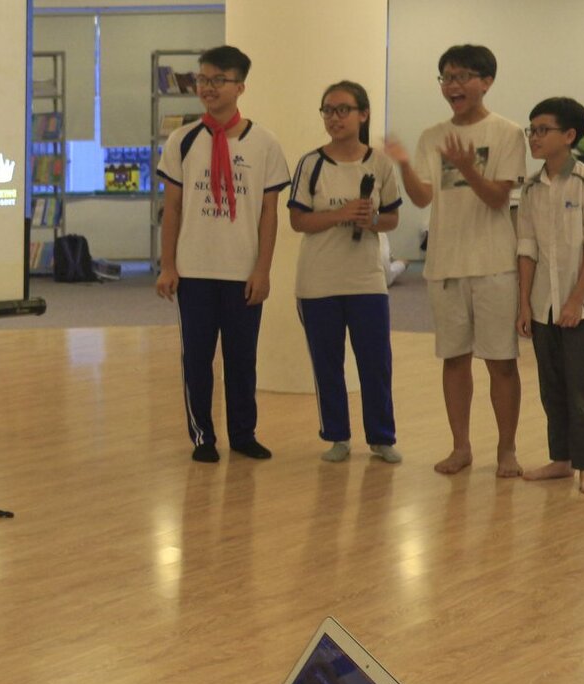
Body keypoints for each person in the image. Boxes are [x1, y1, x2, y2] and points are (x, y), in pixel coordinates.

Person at [387, 44, 529, 478]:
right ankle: (461, 447)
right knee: (454, 359)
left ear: (486, 82)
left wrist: (468, 168)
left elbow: (498, 198)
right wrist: (405, 166)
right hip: (445, 264)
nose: (453, 86)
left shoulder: (508, 133)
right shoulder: (432, 136)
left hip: (494, 264)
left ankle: (506, 450)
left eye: (463, 76)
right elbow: (422, 198)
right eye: (447, 78)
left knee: (501, 361)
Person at [154, 45, 288, 463]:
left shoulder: (264, 143)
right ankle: (203, 436)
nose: (207, 88)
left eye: (218, 80)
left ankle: (243, 434)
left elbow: (269, 214)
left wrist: (263, 270)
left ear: (240, 86)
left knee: (242, 359)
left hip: (242, 272)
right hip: (193, 271)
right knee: (197, 358)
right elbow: (172, 208)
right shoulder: (182, 140)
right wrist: (168, 265)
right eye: (203, 79)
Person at [288, 82, 403, 463]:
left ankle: (382, 437)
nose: (334, 118)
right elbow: (298, 220)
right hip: (318, 282)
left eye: (343, 110)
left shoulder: (380, 164)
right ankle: (337, 435)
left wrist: (371, 220)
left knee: (375, 362)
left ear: (363, 114)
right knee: (327, 364)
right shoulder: (311, 163)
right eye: (328, 110)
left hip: (367, 280)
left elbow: (392, 218)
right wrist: (341, 214)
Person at [517, 97, 584, 495]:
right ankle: (561, 460)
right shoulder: (530, 188)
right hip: (543, 303)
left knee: (580, 384)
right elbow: (527, 249)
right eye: (532, 130)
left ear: (569, 135)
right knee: (551, 384)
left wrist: (575, 300)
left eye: (543, 130)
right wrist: (524, 303)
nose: (534, 138)